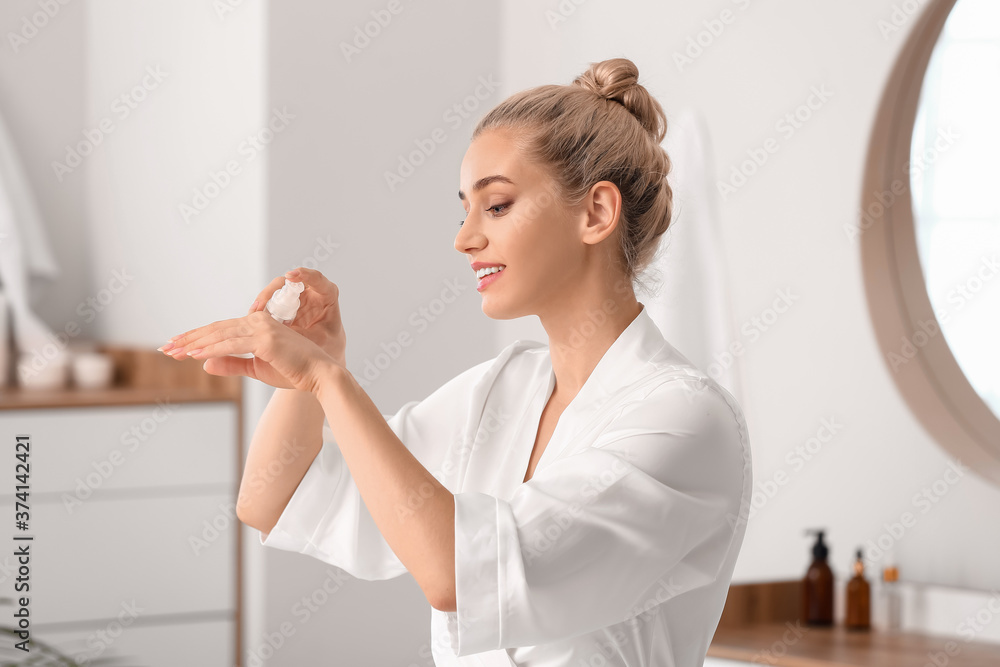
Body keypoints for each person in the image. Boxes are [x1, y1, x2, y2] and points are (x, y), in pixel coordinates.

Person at [162, 56, 752, 667]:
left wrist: (328, 380)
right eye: (464, 210)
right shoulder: (502, 391)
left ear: (596, 213)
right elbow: (271, 501)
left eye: (496, 206)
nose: (464, 238)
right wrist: (308, 375)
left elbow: (457, 575)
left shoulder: (684, 419)